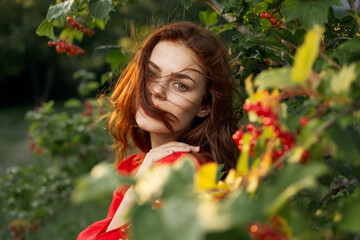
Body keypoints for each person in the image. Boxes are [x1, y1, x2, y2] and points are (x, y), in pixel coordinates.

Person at [77, 21, 240, 240]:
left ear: (205, 105)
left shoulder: (179, 171)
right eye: (152, 73)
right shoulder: (140, 166)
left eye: (180, 85)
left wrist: (137, 192)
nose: (157, 91)